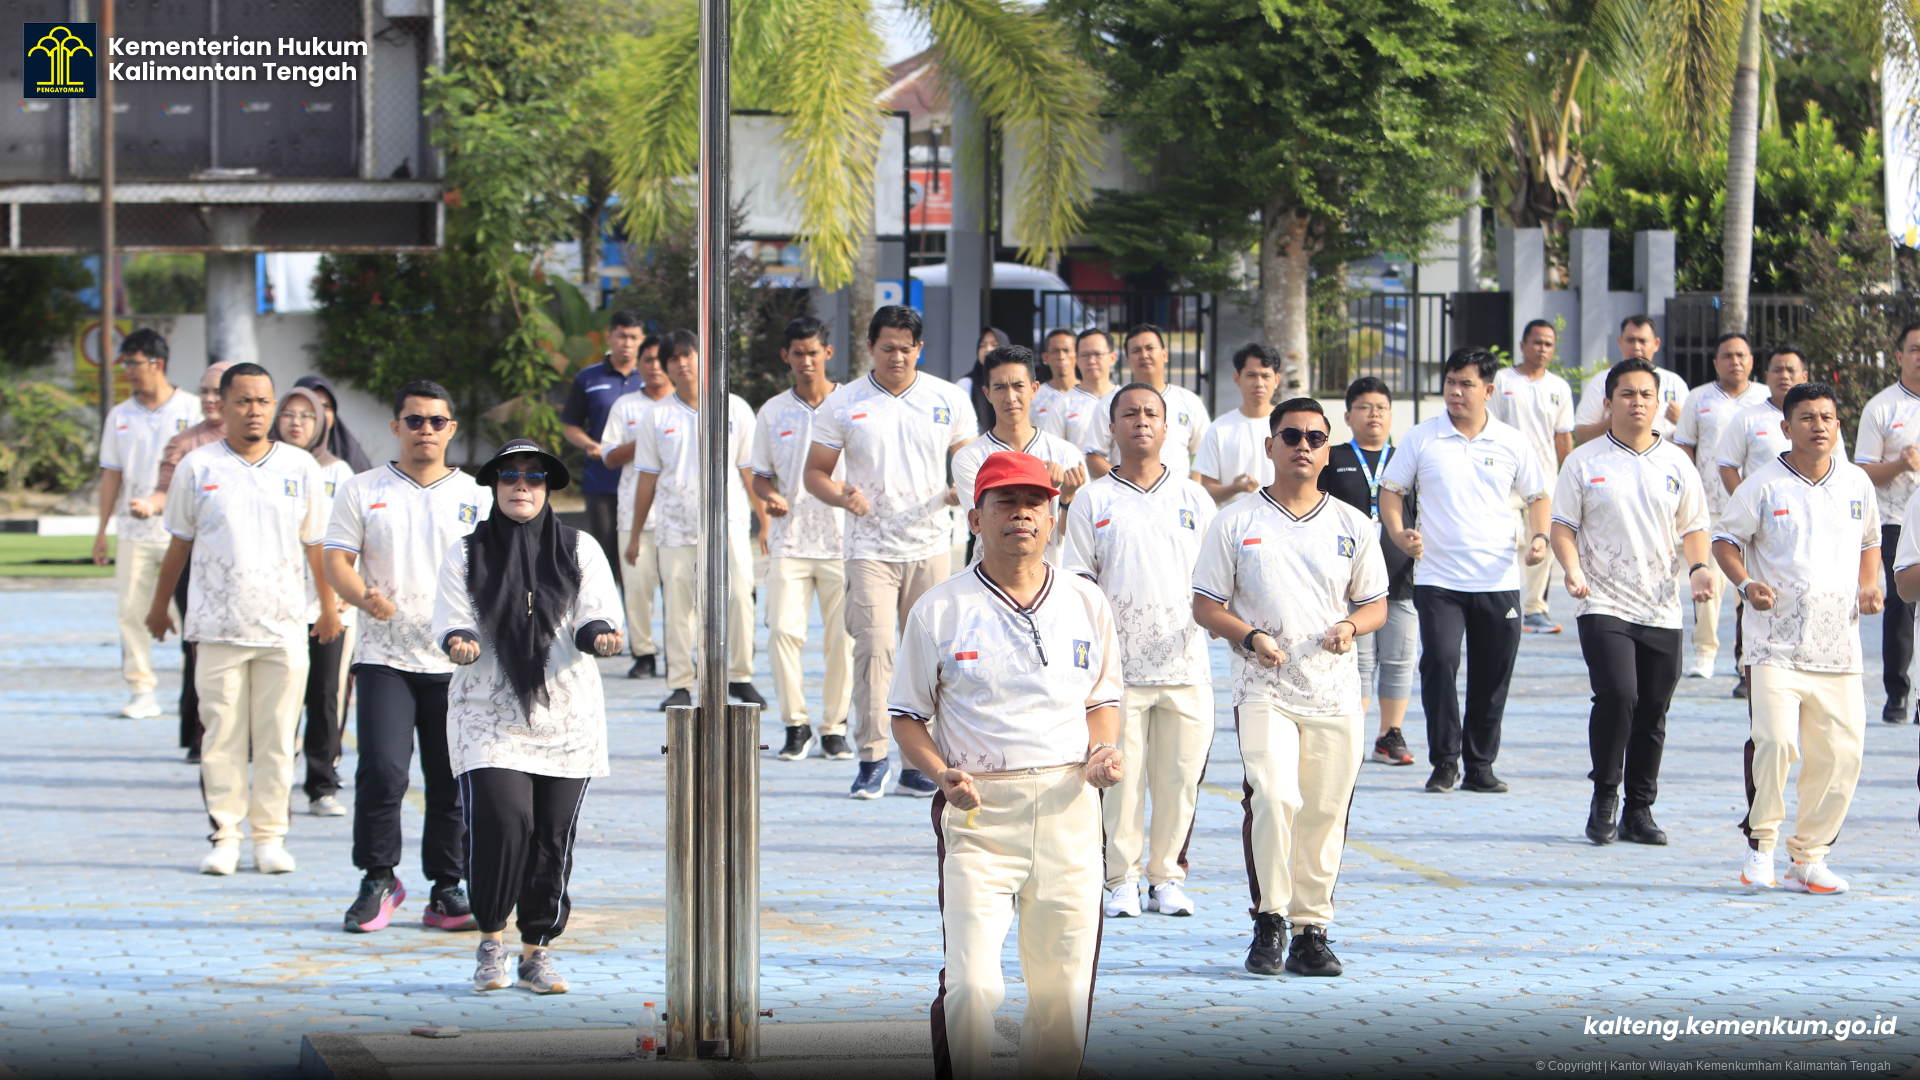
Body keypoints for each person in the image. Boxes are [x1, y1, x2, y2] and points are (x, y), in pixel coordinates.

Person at [888, 451, 1123, 1080]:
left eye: (1034, 503)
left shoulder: (1086, 601)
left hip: (1071, 807)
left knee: (1063, 989)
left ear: (1052, 519)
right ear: (976, 518)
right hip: (980, 814)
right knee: (971, 983)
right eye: (1005, 502)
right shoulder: (939, 609)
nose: (1022, 514)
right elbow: (906, 717)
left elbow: (1102, 701)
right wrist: (941, 774)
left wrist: (1103, 749)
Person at [1192, 397, 1389, 977]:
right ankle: (1270, 919)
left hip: (1334, 692)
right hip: (1263, 687)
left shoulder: (1353, 524)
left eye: (1315, 438)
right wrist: (1250, 636)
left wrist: (1351, 627)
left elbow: (1375, 604)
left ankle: (1311, 931)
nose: (1303, 446)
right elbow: (1205, 605)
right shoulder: (1235, 521)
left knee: (1325, 810)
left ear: (1328, 450)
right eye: (1292, 435)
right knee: (1274, 797)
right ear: (1270, 445)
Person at [434, 439, 624, 994]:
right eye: (510, 475)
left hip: (567, 717)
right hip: (488, 713)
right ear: (494, 486)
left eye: (535, 477)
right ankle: (491, 939)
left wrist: (600, 635)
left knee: (552, 835)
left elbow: (597, 612)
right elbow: (450, 617)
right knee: (502, 821)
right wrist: (460, 639)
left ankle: (536, 950)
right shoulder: (466, 553)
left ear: (548, 488)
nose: (522, 485)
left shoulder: (580, 547)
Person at [147, 363, 338, 876]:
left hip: (284, 627)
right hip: (217, 626)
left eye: (263, 401)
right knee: (221, 738)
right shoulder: (197, 466)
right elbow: (179, 543)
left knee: (278, 740)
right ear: (223, 406)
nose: (255, 411)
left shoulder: (300, 467)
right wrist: (159, 605)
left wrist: (328, 608)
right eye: (244, 401)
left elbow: (316, 545)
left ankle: (269, 837)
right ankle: (226, 835)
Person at [324, 379, 488, 934]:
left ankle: (447, 887)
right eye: (414, 420)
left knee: (450, 778)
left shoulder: (477, 495)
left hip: (456, 661)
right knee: (383, 771)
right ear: (396, 426)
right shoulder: (361, 488)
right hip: (383, 657)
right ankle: (378, 878)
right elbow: (336, 560)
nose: (425, 430)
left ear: (451, 429)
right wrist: (361, 597)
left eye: (436, 421)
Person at [1713, 382, 1881, 895]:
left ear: (1838, 426)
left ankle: (1809, 856)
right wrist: (1746, 584)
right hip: (1774, 647)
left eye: (1827, 417)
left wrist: (1869, 585)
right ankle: (1761, 846)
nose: (1818, 426)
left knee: (1842, 754)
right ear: (1786, 428)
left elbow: (1870, 541)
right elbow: (1725, 540)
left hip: (1839, 650)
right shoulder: (1762, 486)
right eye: (1807, 418)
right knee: (1776, 743)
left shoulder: (1856, 483)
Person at [805, 306, 978, 799]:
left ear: (919, 349)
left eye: (906, 348)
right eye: (887, 348)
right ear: (870, 348)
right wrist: (842, 495)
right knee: (875, 649)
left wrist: (959, 489)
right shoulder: (844, 403)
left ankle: (919, 764)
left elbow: (967, 462)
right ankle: (872, 757)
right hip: (869, 548)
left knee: (928, 656)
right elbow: (815, 473)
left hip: (930, 544)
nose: (897, 357)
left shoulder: (948, 399)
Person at [1062, 383, 1215, 919]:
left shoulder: (1195, 499)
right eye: (1130, 413)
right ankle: (1120, 880)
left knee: (1179, 782)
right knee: (1119, 782)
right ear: (1112, 427)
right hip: (1117, 674)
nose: (1142, 421)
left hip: (1186, 665)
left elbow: (1218, 580)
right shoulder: (1092, 499)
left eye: (1152, 413)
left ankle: (1166, 877)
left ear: (1168, 428)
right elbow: (1079, 582)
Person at [1549, 359, 1713, 847]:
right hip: (1601, 600)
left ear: (1659, 403)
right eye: (1627, 394)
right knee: (1619, 694)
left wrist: (1699, 568)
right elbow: (1562, 526)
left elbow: (1695, 527)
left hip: (1661, 606)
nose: (1637, 402)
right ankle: (1605, 794)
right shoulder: (1584, 461)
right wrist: (1572, 568)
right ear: (1608, 402)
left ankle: (1639, 810)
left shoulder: (1677, 463)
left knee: (1653, 708)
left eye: (1646, 394)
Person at [1380, 347, 1551, 795]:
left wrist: (1540, 537)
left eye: (1466, 384)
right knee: (1439, 662)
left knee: (1492, 674)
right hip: (1438, 579)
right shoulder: (1422, 438)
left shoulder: (1512, 442)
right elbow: (1391, 491)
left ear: (1488, 391)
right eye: (1450, 382)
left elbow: (1538, 497)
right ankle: (1444, 762)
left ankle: (1480, 765)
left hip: (1498, 579)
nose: (1455, 391)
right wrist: (1399, 533)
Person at [625, 330, 767, 712]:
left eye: (688, 355)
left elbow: (750, 470)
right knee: (678, 607)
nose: (682, 363)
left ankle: (740, 676)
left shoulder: (734, 408)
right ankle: (681, 683)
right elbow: (647, 479)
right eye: (674, 358)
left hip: (729, 524)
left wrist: (765, 523)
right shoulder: (657, 416)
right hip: (675, 528)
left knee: (740, 596)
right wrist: (635, 535)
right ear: (666, 367)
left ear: (703, 358)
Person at [751, 317, 854, 761]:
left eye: (813, 352)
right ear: (786, 357)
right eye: (798, 353)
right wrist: (769, 497)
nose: (806, 361)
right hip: (789, 543)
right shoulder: (772, 411)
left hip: (844, 542)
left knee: (843, 640)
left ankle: (835, 728)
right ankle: (796, 725)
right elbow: (759, 475)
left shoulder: (851, 404)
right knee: (781, 634)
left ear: (827, 353)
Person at [1714, 344, 1838, 699]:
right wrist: (1752, 509)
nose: (1784, 375)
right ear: (1765, 375)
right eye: (1777, 369)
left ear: (1804, 375)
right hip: (1765, 522)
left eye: (1791, 370)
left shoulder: (1824, 423)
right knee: (1754, 592)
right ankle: (1748, 663)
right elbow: (1727, 465)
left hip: (1812, 522)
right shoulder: (1748, 418)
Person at [93, 327, 200, 720]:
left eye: (133, 363)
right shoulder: (119, 416)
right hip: (134, 532)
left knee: (193, 613)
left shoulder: (192, 409)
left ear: (158, 363)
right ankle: (141, 690)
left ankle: (198, 689)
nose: (128, 371)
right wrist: (102, 531)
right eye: (124, 364)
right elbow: (112, 474)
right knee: (131, 611)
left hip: (183, 532)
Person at [1320, 377, 1419, 767]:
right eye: (1363, 407)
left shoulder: (1406, 458)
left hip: (1400, 576)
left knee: (1398, 658)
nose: (1373, 414)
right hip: (1349, 583)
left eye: (1381, 407)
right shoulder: (1333, 457)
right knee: (1357, 661)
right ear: (1347, 416)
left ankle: (1389, 735)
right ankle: (1353, 735)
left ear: (1392, 415)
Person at [272, 386, 358, 818]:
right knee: (280, 696)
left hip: (330, 603)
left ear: (322, 423)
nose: (297, 422)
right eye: (289, 413)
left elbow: (354, 535)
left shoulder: (339, 472)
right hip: (281, 603)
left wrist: (344, 591)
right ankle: (275, 784)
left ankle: (322, 784)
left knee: (325, 694)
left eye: (307, 415)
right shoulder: (268, 467)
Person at [150, 361, 235, 761]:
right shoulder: (186, 445)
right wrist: (149, 504)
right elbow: (164, 491)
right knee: (200, 648)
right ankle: (201, 735)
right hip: (196, 567)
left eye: (218, 391)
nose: (210, 399)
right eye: (204, 391)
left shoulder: (264, 447)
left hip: (249, 569)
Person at [1672, 332, 1768, 680]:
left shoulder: (1766, 400)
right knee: (1707, 582)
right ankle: (1705, 652)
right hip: (1711, 507)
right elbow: (1684, 447)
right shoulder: (1698, 399)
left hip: (1758, 512)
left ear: (1752, 361)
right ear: (1715, 362)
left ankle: (1747, 657)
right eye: (1727, 355)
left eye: (1741, 355)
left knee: (1752, 584)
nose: (1735, 361)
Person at [951, 345, 1087, 567]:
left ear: (1034, 389)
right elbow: (984, 527)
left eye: (1018, 386)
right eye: (1000, 388)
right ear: (987, 393)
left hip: (1052, 576)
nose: (1010, 397)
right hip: (992, 577)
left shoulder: (1066, 453)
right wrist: (1045, 488)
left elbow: (1075, 535)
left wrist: (1067, 497)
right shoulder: (968, 458)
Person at [1852, 322, 1920, 724]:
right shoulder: (1882, 407)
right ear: (1899, 355)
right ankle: (1897, 692)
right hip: (1896, 519)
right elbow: (1862, 471)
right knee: (1901, 602)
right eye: (1914, 349)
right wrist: (1899, 465)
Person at [1490, 320, 1576, 634]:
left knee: (1545, 542)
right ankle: (1504, 603)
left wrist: (1568, 478)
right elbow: (1489, 427)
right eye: (1537, 342)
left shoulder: (1559, 388)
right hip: (1505, 480)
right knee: (1507, 539)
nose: (1542, 349)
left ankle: (1535, 609)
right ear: (1523, 344)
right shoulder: (1501, 380)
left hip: (1545, 481)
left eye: (1548, 344)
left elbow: (1563, 437)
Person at [598, 329, 673, 679]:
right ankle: (644, 653)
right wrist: (645, 438)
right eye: (648, 360)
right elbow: (609, 456)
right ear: (638, 365)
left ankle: (680, 655)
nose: (654, 366)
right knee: (637, 589)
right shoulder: (625, 406)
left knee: (681, 592)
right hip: (634, 515)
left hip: (680, 518)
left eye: (661, 360)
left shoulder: (691, 406)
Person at [561, 310, 652, 588]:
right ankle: (607, 610)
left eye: (634, 337)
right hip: (602, 480)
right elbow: (570, 425)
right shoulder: (588, 378)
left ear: (642, 340)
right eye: (622, 336)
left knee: (643, 557)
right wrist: (589, 444)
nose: (627, 343)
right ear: (609, 337)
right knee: (605, 553)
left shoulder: (652, 377)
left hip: (644, 479)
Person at [1084, 325, 1210, 481]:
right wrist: (1128, 484)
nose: (1144, 355)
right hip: (1124, 492)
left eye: (1150, 348)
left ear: (1165, 355)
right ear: (1128, 361)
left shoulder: (1189, 401)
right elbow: (1094, 456)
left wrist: (1192, 489)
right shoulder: (1110, 403)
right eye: (1136, 351)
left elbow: (1204, 455)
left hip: (1177, 492)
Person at [1570, 316, 1690, 445]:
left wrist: (1680, 421)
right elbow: (1581, 435)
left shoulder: (1674, 383)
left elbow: (1694, 436)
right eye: (1630, 340)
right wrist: (1616, 420)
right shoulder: (1602, 381)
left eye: (1642, 341)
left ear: (1656, 344)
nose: (1636, 347)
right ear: (1620, 342)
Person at [1194, 344, 1281, 509]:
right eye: (1251, 375)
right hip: (1235, 522)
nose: (1259, 383)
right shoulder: (1219, 429)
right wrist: (1234, 488)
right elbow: (1205, 490)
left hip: (1281, 519)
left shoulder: (1289, 427)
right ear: (1237, 379)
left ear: (1276, 380)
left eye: (1265, 376)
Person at [293, 374, 375, 473]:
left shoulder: (350, 452)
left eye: (326, 407)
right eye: (312, 406)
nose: (321, 413)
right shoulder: (278, 454)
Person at [1069, 329, 1119, 478]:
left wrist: (1124, 482)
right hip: (1078, 488)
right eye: (1084, 355)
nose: (1091, 361)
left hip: (1125, 487)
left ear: (1112, 357)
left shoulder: (1127, 400)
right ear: (1076, 359)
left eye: (1098, 354)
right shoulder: (1063, 404)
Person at [954, 327, 1010, 436]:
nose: (987, 349)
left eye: (994, 345)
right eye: (982, 346)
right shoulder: (966, 384)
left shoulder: (1017, 384)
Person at [1032, 327, 1080, 441]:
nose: (1061, 357)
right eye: (1055, 351)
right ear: (1045, 357)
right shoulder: (1034, 397)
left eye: (1067, 350)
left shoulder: (1089, 395)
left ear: (1077, 356)